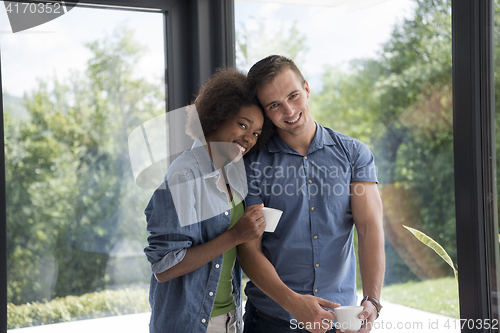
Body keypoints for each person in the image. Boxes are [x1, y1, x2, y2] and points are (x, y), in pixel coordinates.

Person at [238, 55, 385, 333]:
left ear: (306, 88)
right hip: (271, 321)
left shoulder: (354, 155)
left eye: (293, 96)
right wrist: (294, 303)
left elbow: (369, 229)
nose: (289, 110)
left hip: (339, 319)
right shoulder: (252, 165)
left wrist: (373, 299)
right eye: (274, 105)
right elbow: (248, 249)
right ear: (265, 111)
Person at [144, 68, 273, 333]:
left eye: (256, 133)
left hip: (229, 317)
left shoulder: (234, 172)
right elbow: (164, 267)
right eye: (242, 125)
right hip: (190, 323)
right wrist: (236, 235)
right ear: (216, 117)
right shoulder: (183, 175)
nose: (249, 138)